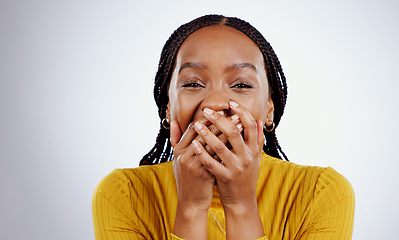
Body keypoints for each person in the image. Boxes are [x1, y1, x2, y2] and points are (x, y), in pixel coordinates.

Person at [92, 14, 355, 240]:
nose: (216, 103)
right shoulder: (122, 193)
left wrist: (240, 205)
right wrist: (192, 208)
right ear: (168, 109)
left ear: (268, 110)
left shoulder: (322, 193)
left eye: (241, 85)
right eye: (193, 84)